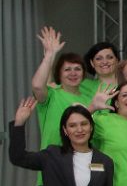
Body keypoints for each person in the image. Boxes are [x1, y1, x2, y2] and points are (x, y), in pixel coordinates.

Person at [30, 28, 98, 171]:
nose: (73, 73)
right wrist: (49, 55)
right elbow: (37, 86)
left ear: (83, 73)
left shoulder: (90, 99)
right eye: (67, 69)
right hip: (55, 166)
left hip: (84, 167)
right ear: (59, 74)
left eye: (77, 69)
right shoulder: (52, 94)